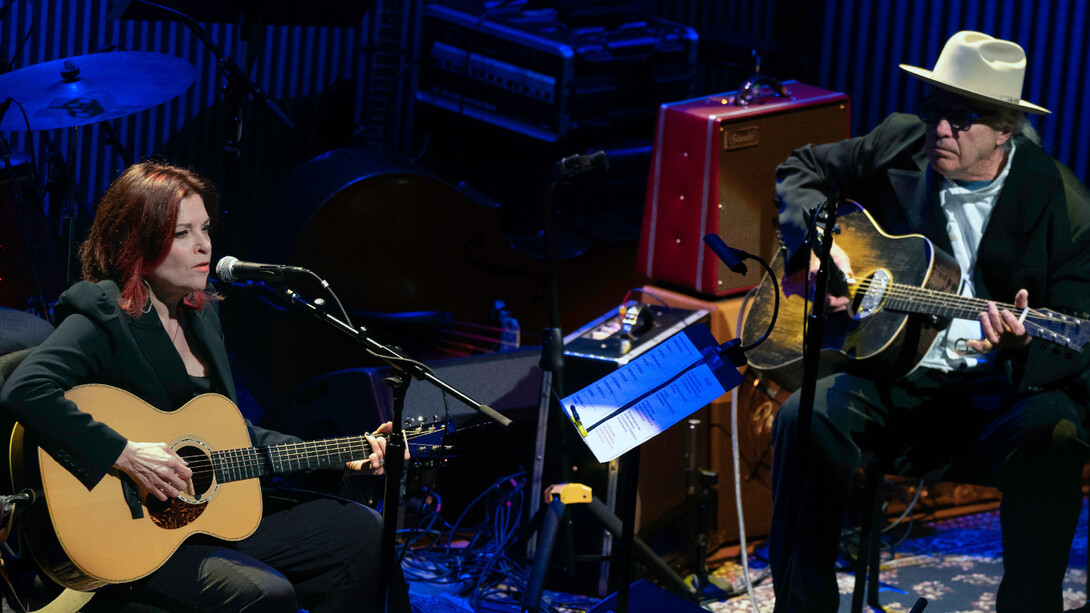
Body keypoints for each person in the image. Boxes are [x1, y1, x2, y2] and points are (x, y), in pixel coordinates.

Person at [768, 31, 1090, 612]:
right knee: (804, 417)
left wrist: (1018, 345)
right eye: (934, 109)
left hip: (1000, 393)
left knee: (1058, 435)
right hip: (894, 375)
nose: (941, 128)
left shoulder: (1062, 203)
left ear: (1006, 128)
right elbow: (801, 169)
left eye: (962, 118)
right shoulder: (902, 143)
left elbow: (1077, 330)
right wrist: (817, 249)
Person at [0, 161, 407, 612]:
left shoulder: (203, 317)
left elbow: (233, 436)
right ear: (137, 240)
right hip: (137, 536)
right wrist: (124, 452)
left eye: (206, 229)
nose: (204, 246)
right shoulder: (102, 311)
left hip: (201, 520)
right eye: (181, 234)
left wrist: (341, 455)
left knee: (363, 534)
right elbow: (25, 388)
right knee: (267, 594)